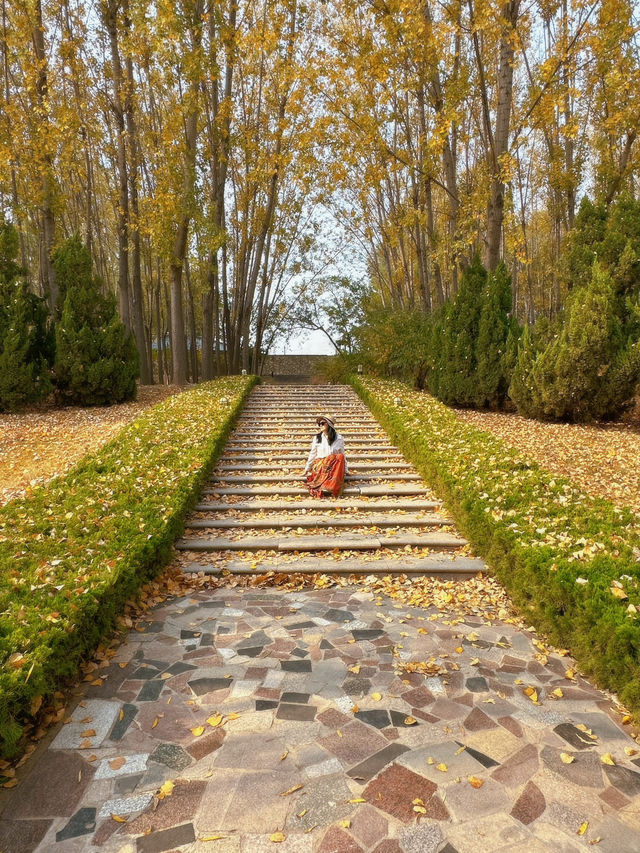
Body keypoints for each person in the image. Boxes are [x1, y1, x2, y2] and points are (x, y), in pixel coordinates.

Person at [303, 415, 348, 498]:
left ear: (329, 425)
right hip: (320, 465)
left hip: (333, 466)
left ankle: (331, 485)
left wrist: (346, 470)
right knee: (332, 458)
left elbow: (343, 454)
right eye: (319, 424)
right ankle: (326, 483)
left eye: (323, 423)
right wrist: (307, 468)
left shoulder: (339, 438)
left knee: (340, 456)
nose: (320, 426)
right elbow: (312, 453)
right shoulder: (317, 438)